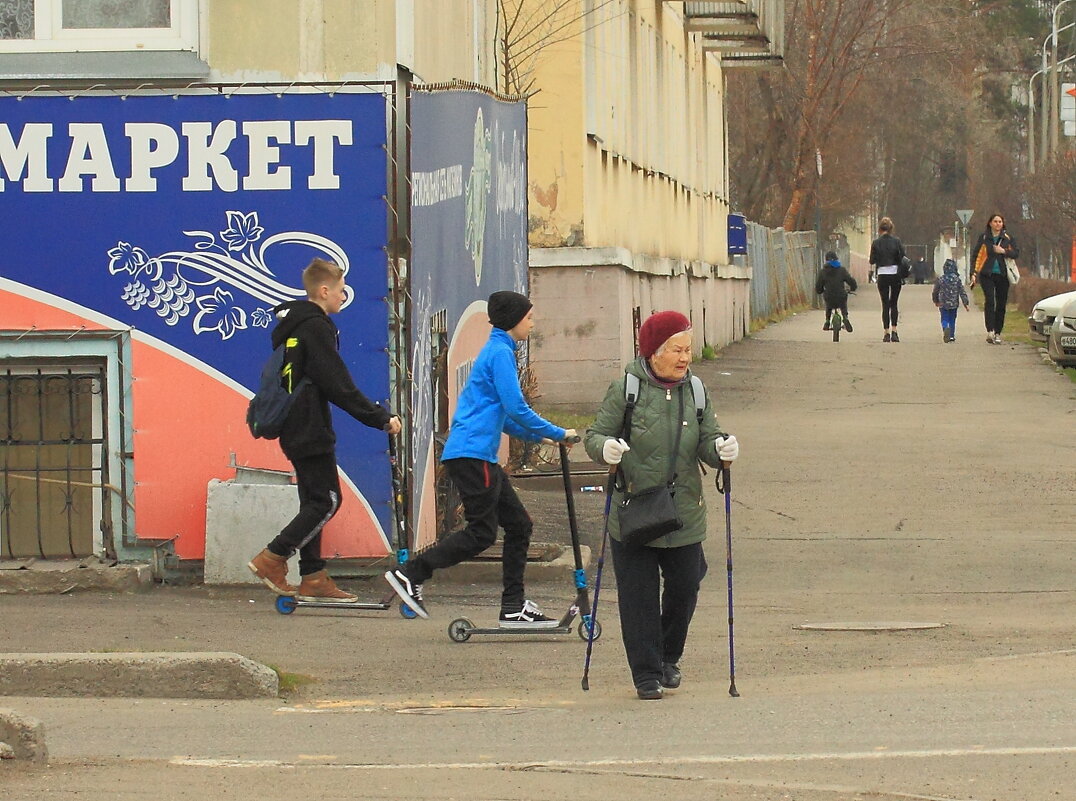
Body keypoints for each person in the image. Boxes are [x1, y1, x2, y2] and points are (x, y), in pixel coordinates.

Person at [385, 291, 576, 623]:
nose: (533, 323)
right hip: (473, 456)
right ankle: (411, 573)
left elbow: (506, 418)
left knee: (519, 525)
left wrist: (543, 436)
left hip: (477, 455)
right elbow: (517, 407)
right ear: (514, 320)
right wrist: (559, 432)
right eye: (529, 317)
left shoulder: (499, 349)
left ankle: (513, 607)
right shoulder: (500, 352)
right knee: (482, 532)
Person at [584, 311, 738, 700]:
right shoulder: (626, 390)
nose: (686, 357)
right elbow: (595, 435)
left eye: (688, 349)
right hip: (634, 509)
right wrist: (606, 448)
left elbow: (708, 437)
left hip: (683, 509)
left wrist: (721, 449)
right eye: (677, 349)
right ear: (653, 351)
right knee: (638, 596)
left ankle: (670, 657)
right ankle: (647, 673)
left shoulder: (697, 391)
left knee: (686, 584)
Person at [248, 258, 402, 602]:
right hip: (308, 428)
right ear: (324, 290)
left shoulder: (295, 327)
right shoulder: (315, 328)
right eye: (340, 291)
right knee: (327, 501)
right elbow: (338, 384)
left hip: (295, 427)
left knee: (314, 501)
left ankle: (313, 576)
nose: (342, 297)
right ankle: (273, 557)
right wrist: (379, 418)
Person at [968, 213, 1019, 345]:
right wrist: (973, 273)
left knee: (1001, 304)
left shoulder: (1007, 237)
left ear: (1003, 224)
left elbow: (1016, 253)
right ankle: (990, 331)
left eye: (1000, 222)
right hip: (987, 274)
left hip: (1003, 275)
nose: (998, 224)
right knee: (990, 300)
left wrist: (1003, 251)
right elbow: (976, 255)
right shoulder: (985, 237)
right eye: (995, 221)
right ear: (990, 223)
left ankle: (998, 332)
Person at [869, 217, 907, 342]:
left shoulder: (876, 242)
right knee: (894, 303)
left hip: (882, 274)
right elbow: (902, 256)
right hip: (895, 273)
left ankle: (886, 333)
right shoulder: (896, 241)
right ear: (891, 229)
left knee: (885, 304)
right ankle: (895, 331)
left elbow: (872, 260)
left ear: (880, 228)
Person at [815, 251, 858, 332]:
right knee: (843, 305)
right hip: (840, 295)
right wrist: (853, 288)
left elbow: (818, 286)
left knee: (828, 305)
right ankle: (845, 317)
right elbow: (851, 281)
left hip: (829, 296)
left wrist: (820, 291)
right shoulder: (842, 270)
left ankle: (827, 321)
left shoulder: (823, 272)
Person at [932, 258, 971, 343]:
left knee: (944, 318)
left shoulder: (941, 279)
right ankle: (952, 336)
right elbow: (962, 291)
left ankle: (945, 327)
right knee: (952, 319)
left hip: (943, 303)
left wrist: (936, 300)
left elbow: (935, 291)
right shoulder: (957, 279)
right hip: (954, 303)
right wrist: (965, 303)